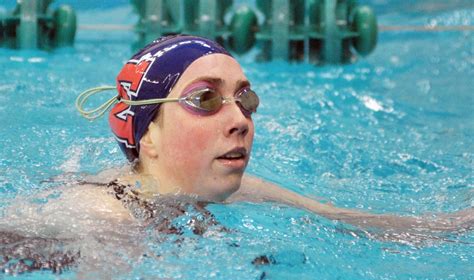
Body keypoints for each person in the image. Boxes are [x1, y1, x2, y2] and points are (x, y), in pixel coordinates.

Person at [71, 34, 474, 235]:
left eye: (244, 99)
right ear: (148, 136)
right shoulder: (96, 217)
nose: (241, 120)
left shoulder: (246, 189)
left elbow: (362, 223)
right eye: (206, 99)